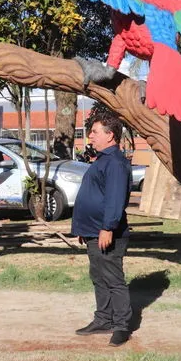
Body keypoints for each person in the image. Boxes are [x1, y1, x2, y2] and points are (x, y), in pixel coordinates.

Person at [71, 114, 133, 346]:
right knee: (98, 277)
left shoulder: (115, 162)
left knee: (113, 279)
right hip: (93, 231)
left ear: (110, 135)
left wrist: (107, 228)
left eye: (95, 132)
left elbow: (115, 200)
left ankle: (121, 326)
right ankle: (103, 319)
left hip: (107, 233)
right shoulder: (102, 160)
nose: (91, 136)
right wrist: (84, 229)